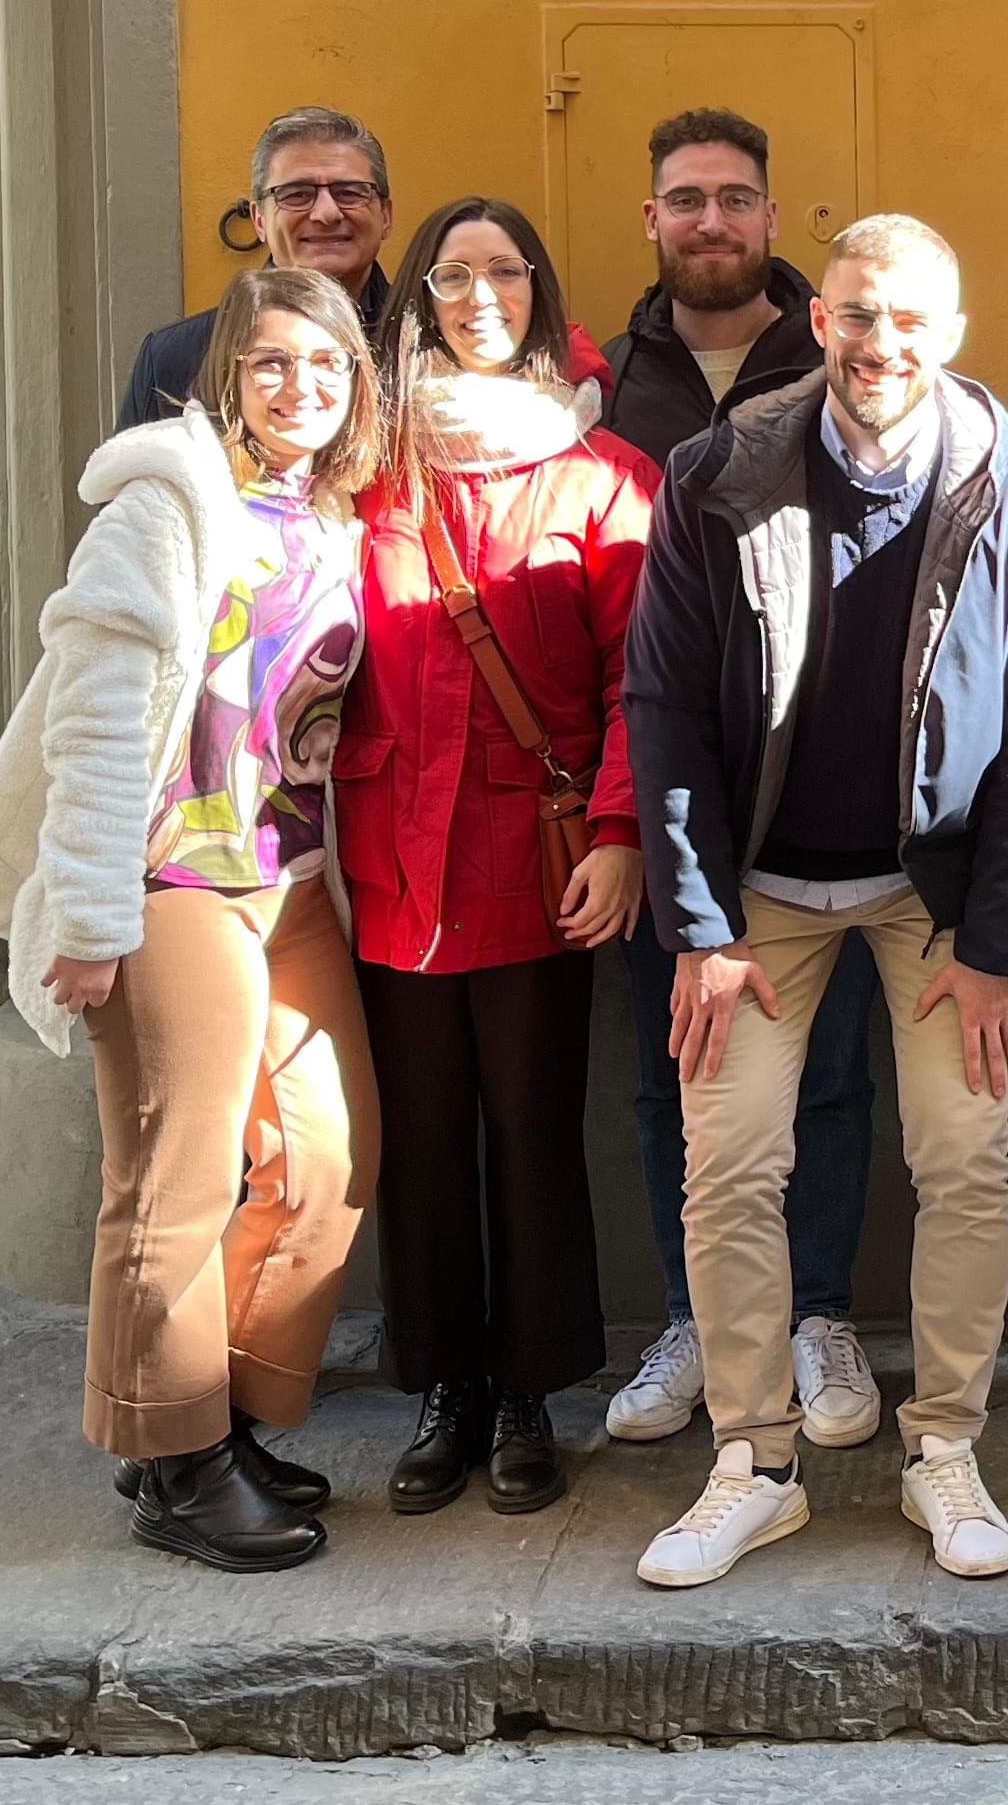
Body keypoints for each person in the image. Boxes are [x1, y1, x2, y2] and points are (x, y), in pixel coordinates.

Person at [626, 213, 1008, 1588]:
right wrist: (700, 927)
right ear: (819, 319)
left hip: (931, 891)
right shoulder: (719, 472)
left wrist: (996, 947)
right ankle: (753, 1464)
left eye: (907, 317)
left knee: (964, 1154)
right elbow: (663, 706)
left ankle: (944, 1444)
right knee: (728, 1159)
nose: (879, 341)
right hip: (760, 887)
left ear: (952, 330)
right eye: (856, 313)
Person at [0, 268, 388, 1572]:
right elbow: (90, 718)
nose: (301, 385)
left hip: (291, 878)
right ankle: (175, 1462)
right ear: (226, 374)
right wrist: (86, 915)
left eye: (327, 363)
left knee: (327, 1157)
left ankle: (216, 1416)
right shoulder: (164, 505)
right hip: (167, 881)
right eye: (271, 361)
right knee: (175, 1178)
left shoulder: (330, 514)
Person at [335, 198, 659, 1519]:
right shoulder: (361, 466)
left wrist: (622, 832)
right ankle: (444, 1386)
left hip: (536, 857)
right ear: (417, 295)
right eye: (453, 275)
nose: (479, 296)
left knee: (530, 1127)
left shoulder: (604, 474)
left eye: (505, 272)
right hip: (388, 861)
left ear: (539, 291)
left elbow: (644, 678)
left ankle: (528, 1390)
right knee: (419, 1137)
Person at [598, 106, 881, 1453]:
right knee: (679, 1073)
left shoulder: (838, 365)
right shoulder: (603, 385)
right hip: (664, 796)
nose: (709, 220)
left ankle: (819, 1312)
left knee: (827, 1074)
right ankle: (696, 1320)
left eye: (734, 198)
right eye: (685, 199)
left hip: (820, 808)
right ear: (651, 220)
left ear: (773, 218)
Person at [120, 108, 395, 429]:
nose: (326, 213)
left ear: (386, 216)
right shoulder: (176, 357)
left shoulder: (430, 346)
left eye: (349, 193)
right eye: (297, 195)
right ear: (260, 220)